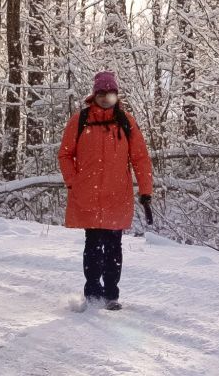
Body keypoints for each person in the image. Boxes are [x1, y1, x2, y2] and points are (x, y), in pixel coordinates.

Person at [57, 70, 155, 310]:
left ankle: (111, 294)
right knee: (93, 245)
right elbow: (65, 154)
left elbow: (141, 158)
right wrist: (73, 182)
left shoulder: (125, 121)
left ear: (116, 95)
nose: (105, 97)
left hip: (117, 196)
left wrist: (146, 191)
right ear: (94, 94)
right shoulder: (80, 120)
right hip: (88, 195)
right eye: (101, 93)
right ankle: (92, 292)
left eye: (110, 93)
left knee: (113, 246)